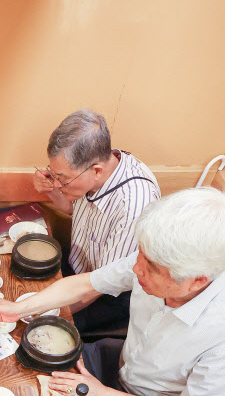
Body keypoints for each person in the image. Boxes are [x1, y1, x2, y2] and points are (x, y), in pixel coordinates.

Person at [0, 188, 225, 396]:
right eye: (140, 255)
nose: (136, 268)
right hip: (120, 362)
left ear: (197, 280)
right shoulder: (157, 257)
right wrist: (18, 308)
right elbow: (86, 283)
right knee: (22, 378)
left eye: (151, 266)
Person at [34, 109, 160, 334]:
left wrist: (50, 312)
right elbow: (75, 210)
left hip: (108, 296)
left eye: (62, 178)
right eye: (54, 175)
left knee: (40, 331)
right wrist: (52, 190)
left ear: (97, 171)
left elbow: (104, 283)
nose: (59, 182)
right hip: (77, 267)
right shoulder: (97, 167)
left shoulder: (133, 204)